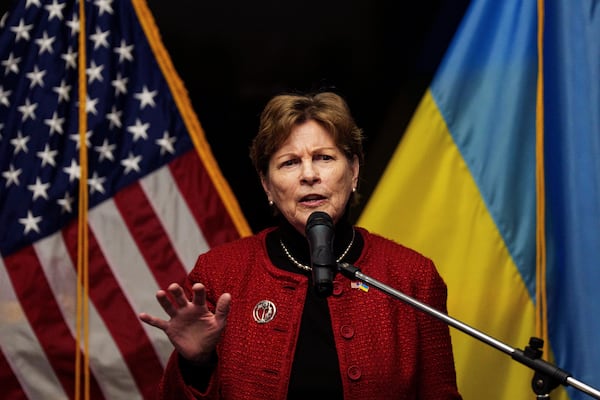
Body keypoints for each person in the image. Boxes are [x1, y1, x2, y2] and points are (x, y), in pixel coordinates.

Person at [139, 91, 462, 399]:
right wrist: (196, 363)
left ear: (353, 171)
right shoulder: (219, 273)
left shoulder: (412, 274)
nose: (309, 174)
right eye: (289, 162)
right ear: (267, 184)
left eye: (324, 157)